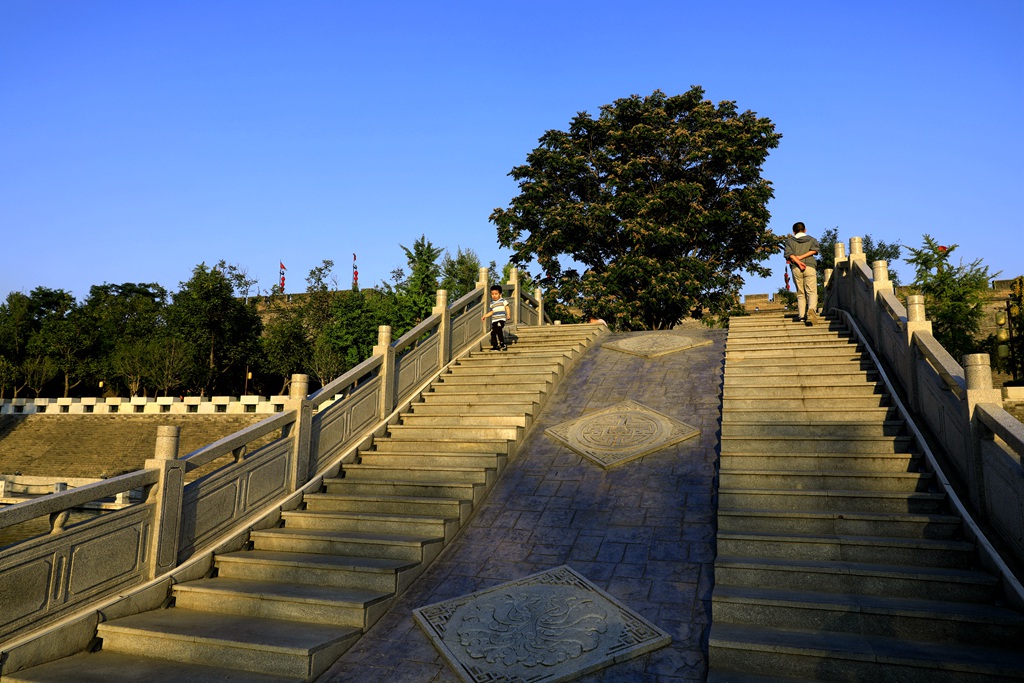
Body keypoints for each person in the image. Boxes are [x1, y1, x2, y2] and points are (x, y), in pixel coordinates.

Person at [784, 221, 821, 323]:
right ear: (805, 230)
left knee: (800, 293)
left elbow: (789, 254)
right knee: (811, 291)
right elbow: (814, 250)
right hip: (809, 266)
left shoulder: (789, 242)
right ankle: (812, 309)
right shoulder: (812, 240)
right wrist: (802, 258)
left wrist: (798, 261)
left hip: (796, 268)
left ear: (793, 232)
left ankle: (801, 316)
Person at [482, 285, 511, 350]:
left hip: (501, 319)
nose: (494, 295)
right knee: (493, 332)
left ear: (500, 294)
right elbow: (491, 312)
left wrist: (508, 314)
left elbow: (507, 307)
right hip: (494, 320)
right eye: (492, 294)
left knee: (499, 329)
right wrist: (485, 316)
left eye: (496, 294)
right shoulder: (492, 303)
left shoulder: (503, 300)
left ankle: (502, 343)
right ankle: (495, 345)